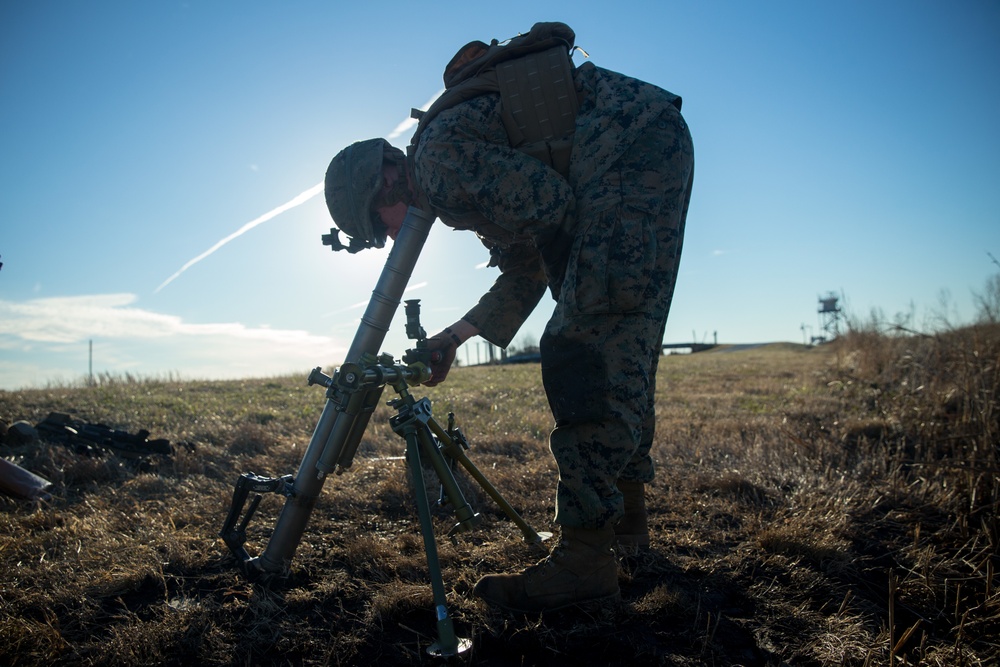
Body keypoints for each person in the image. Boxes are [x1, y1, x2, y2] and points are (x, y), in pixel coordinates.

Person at [324, 27, 693, 613]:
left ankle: (586, 559)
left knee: (584, 347)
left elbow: (549, 205)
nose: (394, 237)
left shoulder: (440, 166)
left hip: (627, 150)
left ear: (387, 182)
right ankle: (622, 529)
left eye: (382, 225)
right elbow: (530, 264)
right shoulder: (448, 159)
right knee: (618, 342)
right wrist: (455, 336)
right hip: (643, 139)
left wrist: (559, 276)